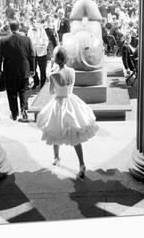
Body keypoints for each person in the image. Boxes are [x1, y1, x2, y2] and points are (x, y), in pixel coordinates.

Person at [36, 46, 99, 179]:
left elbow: (52, 92)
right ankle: (81, 164)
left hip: (59, 102)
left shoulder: (54, 74)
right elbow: (70, 86)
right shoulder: (72, 70)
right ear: (66, 58)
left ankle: (56, 157)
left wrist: (51, 73)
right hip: (71, 101)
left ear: (55, 59)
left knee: (55, 129)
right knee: (75, 134)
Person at [0, 21, 35, 121]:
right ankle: (24, 110)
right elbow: (32, 55)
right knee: (23, 91)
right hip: (24, 70)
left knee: (11, 93)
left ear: (10, 28)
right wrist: (32, 69)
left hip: (9, 71)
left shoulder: (3, 41)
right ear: (19, 28)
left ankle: (14, 113)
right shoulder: (27, 39)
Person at [28, 18, 49, 89]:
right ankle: (36, 82)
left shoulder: (41, 29)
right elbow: (29, 41)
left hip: (42, 52)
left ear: (36, 22)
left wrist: (44, 44)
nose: (33, 24)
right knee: (33, 69)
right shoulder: (29, 31)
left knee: (43, 69)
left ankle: (43, 84)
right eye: (31, 23)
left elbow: (46, 39)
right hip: (33, 53)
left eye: (34, 22)